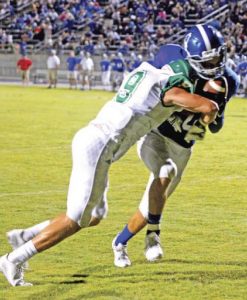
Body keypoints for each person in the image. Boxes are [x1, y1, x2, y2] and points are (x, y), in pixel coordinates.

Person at [0, 36, 219, 286]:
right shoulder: (168, 86)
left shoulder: (146, 72)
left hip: (95, 141)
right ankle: (13, 259)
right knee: (76, 219)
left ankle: (25, 236)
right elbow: (197, 104)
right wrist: (211, 105)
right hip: (100, 147)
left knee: (94, 216)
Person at [111, 25, 240, 267]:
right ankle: (154, 235)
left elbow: (214, 127)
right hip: (156, 136)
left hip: (184, 146)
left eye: (218, 57)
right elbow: (160, 88)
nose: (215, 65)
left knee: (152, 202)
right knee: (163, 173)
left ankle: (120, 242)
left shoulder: (228, 80)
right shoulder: (177, 65)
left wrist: (212, 113)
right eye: (208, 60)